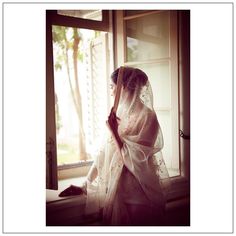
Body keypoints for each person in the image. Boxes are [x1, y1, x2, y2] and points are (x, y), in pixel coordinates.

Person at [82, 66, 170, 226]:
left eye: (111, 87)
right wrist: (85, 183)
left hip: (140, 195)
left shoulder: (148, 117)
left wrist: (115, 132)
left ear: (122, 86)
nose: (111, 92)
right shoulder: (117, 114)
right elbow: (104, 153)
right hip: (116, 191)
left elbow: (136, 159)